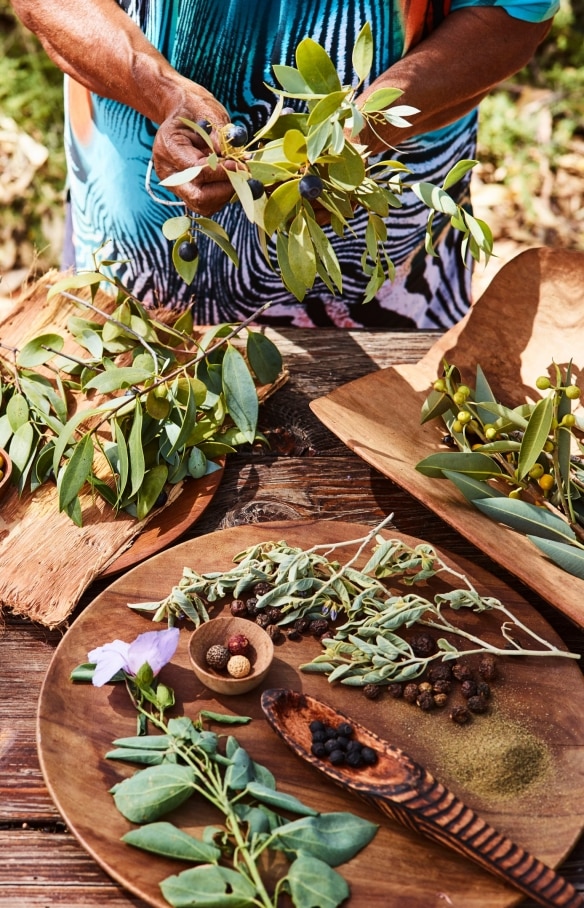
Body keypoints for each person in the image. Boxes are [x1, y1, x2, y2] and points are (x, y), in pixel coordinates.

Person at [12, 0, 556, 329]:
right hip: (135, 234)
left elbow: (512, 14)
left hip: (378, 247)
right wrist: (157, 91)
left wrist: (362, 130)